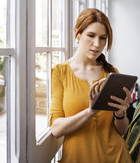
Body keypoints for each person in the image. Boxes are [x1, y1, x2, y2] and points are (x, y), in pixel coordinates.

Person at [50, 8, 133, 163]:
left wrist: (120, 114)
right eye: (91, 35)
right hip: (76, 158)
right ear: (77, 34)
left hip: (117, 157)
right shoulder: (60, 72)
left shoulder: (112, 73)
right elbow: (56, 129)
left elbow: (121, 130)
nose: (97, 44)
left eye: (103, 38)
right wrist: (90, 112)